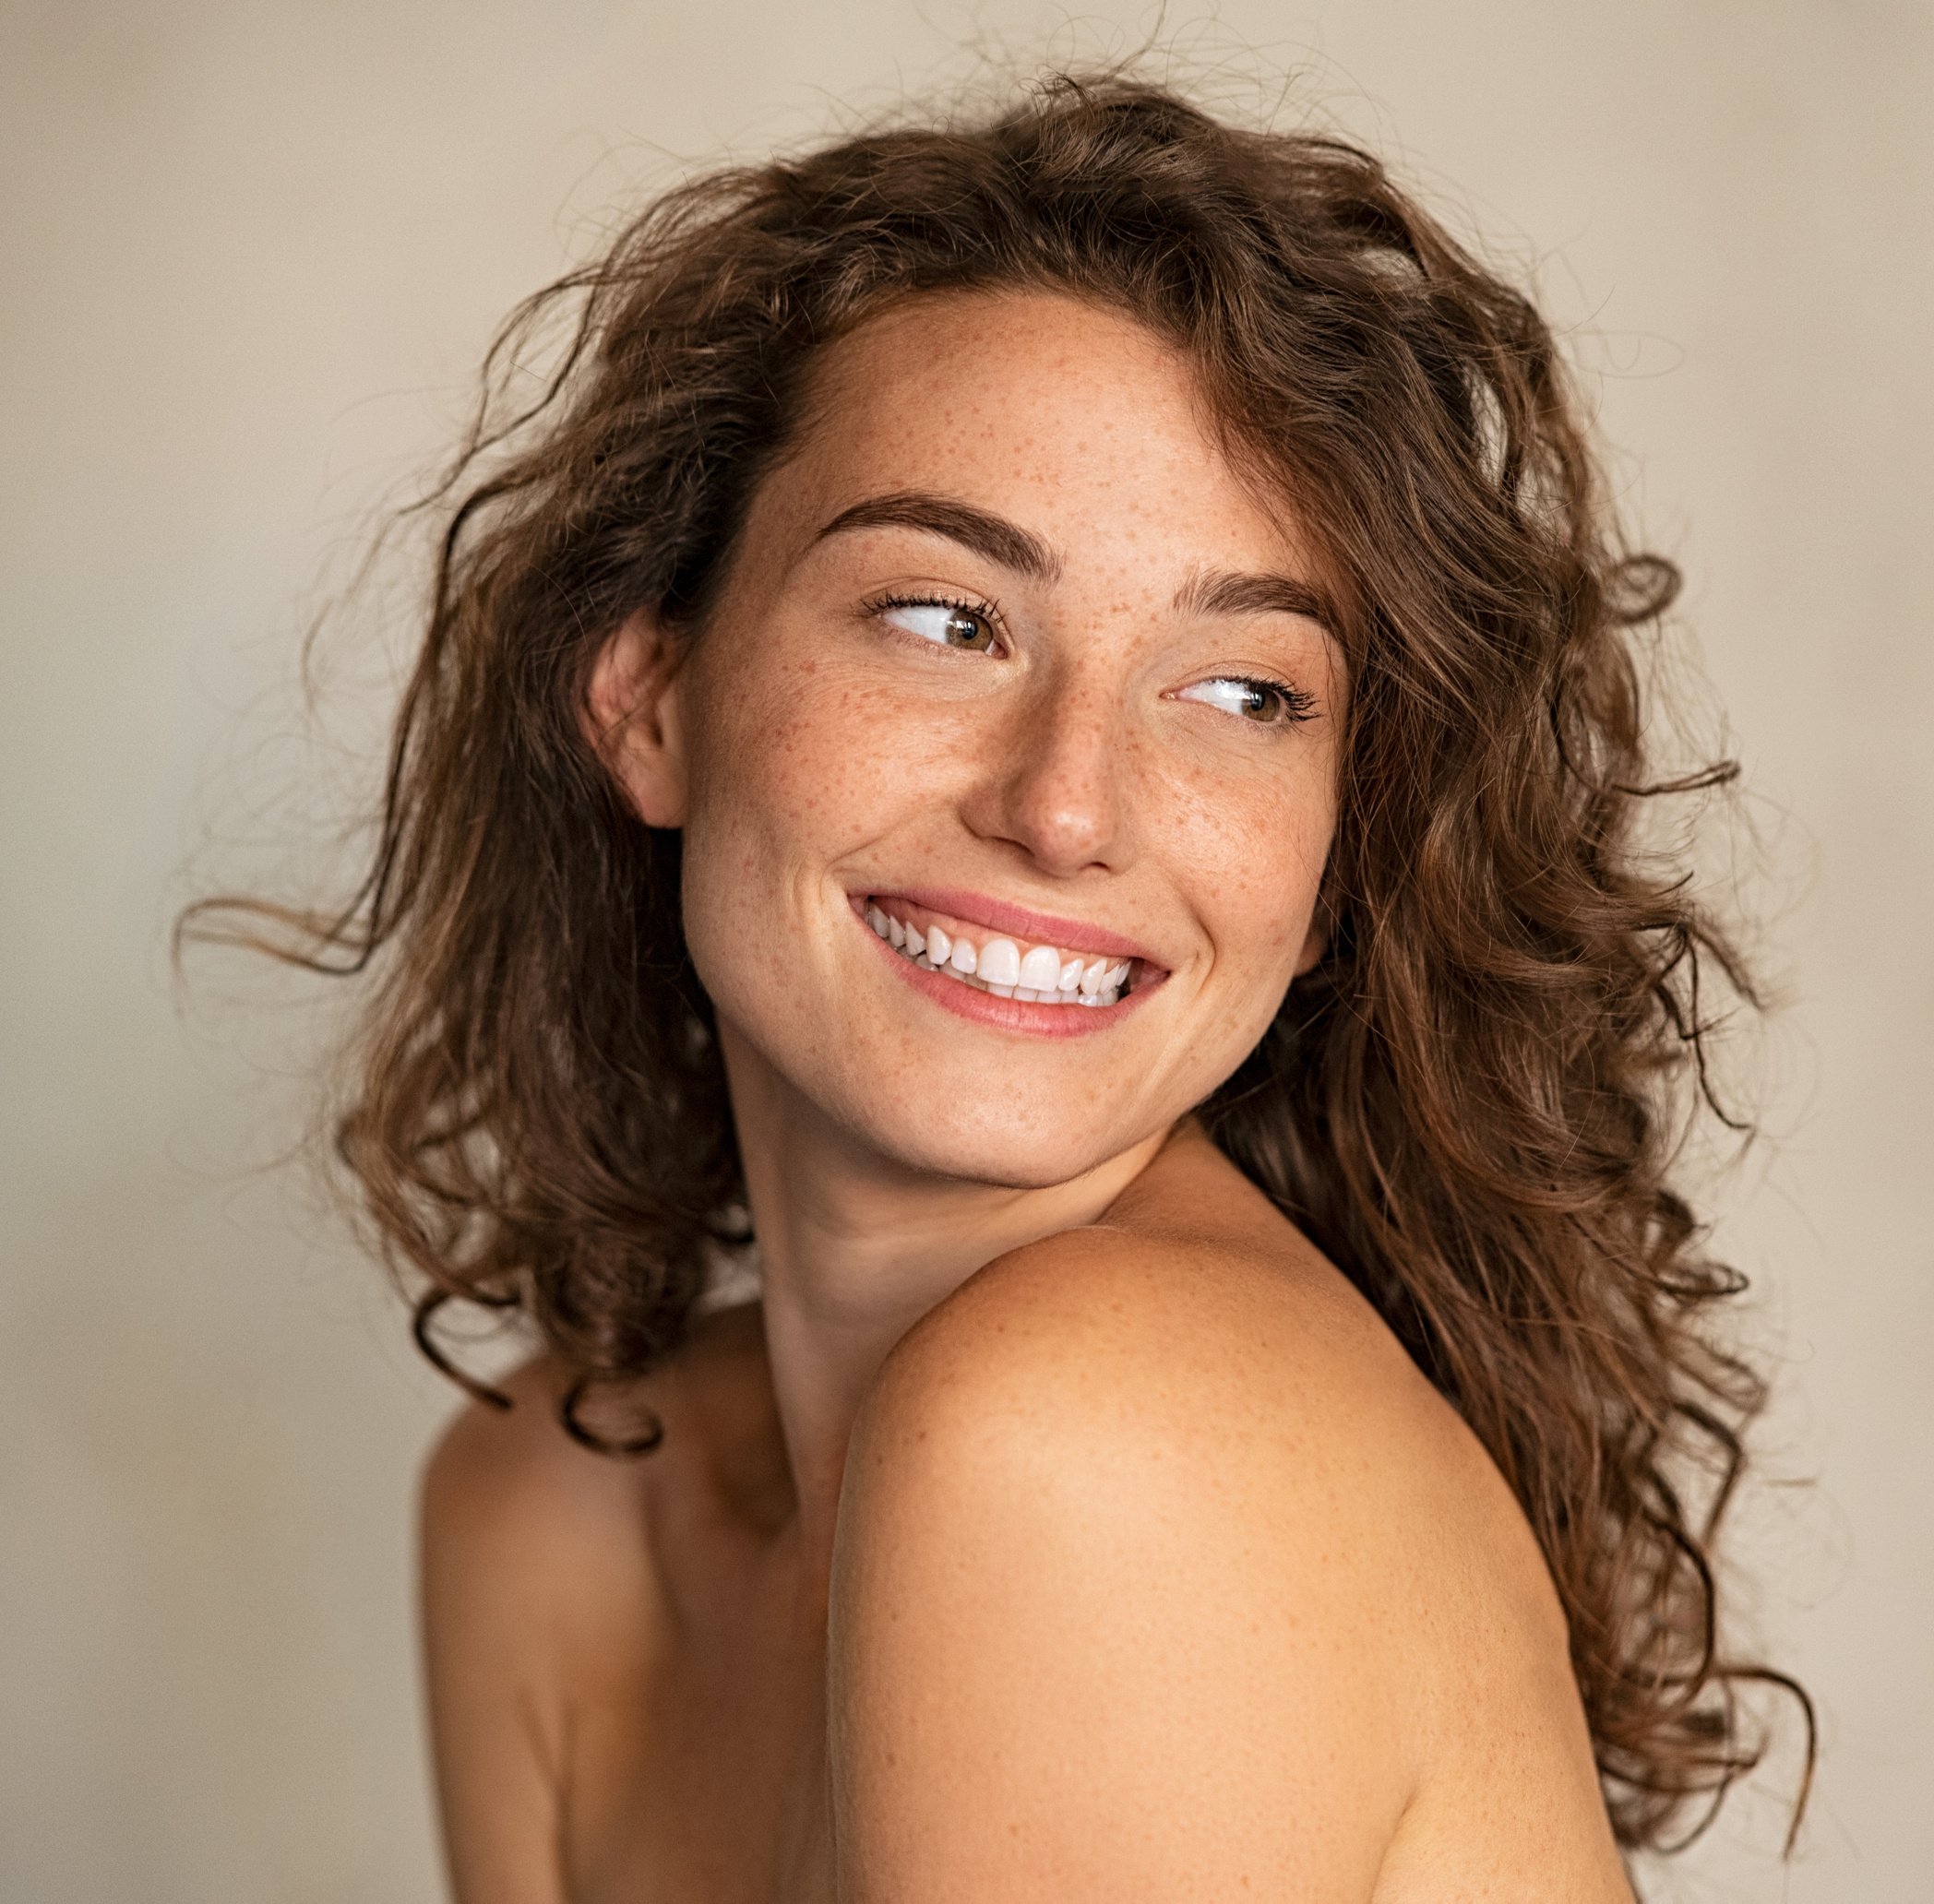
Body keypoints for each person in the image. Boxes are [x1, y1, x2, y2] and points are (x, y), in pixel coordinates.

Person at [209, 73, 1804, 1900]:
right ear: (648, 694)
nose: (1064, 808)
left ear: (1341, 839)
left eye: (1242, 692)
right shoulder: (549, 1506)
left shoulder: (1094, 1437)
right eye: (946, 620)